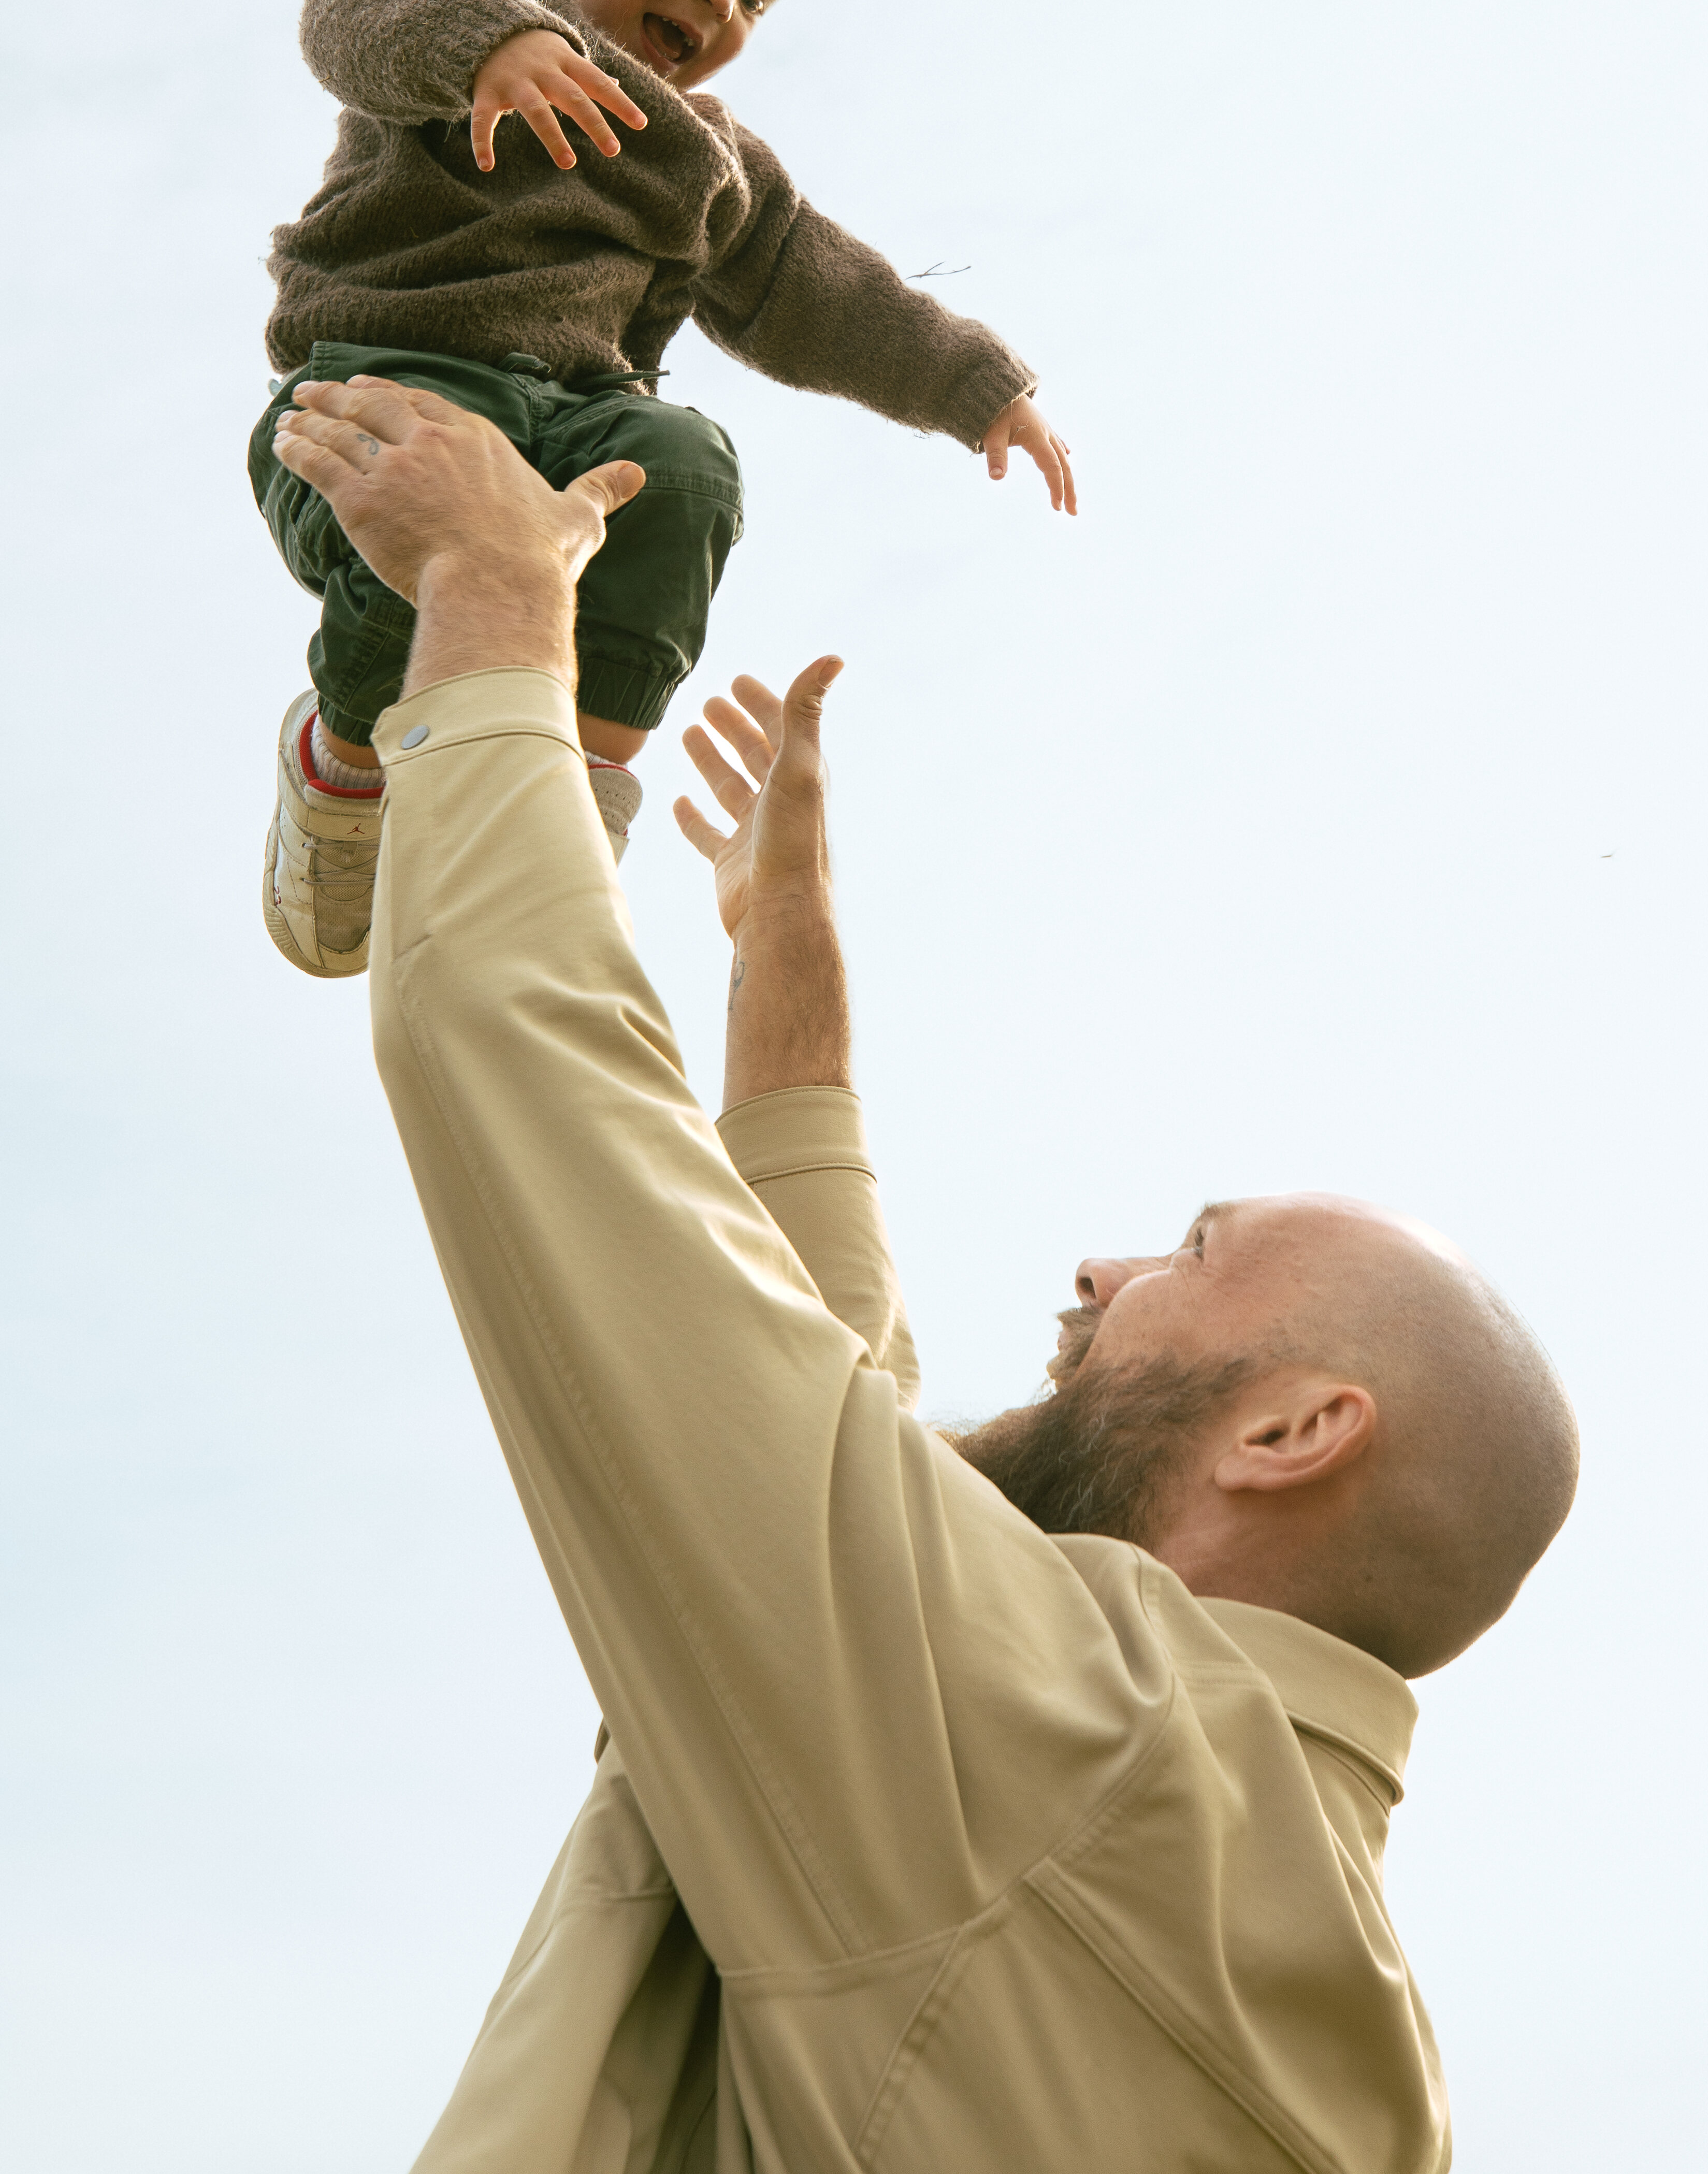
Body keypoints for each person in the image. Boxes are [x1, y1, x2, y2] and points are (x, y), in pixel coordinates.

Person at [267, 373, 1580, 2174]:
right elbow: (839, 1463)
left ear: (1295, 1429)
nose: (1103, 1267)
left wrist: (495, 611)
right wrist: (783, 982)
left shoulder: (1086, 1767)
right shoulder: (1243, 1898)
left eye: (1194, 1253)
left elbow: (545, 1115)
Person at [251, 0, 1075, 981]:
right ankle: (342, 779)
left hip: (577, 430)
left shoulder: (702, 161)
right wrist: (493, 43)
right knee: (428, 518)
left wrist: (967, 383)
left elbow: (818, 285)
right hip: (381, 385)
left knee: (684, 467)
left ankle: (573, 797)